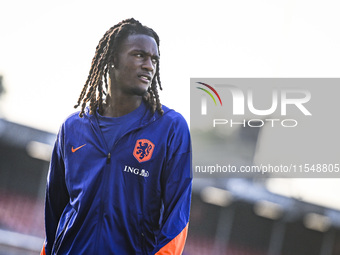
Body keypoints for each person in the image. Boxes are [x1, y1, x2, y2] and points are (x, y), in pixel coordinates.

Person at [41, 18, 192, 255]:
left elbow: (178, 217)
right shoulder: (72, 127)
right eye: (139, 55)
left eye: (154, 59)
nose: (149, 66)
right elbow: (54, 212)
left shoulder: (170, 128)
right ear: (112, 59)